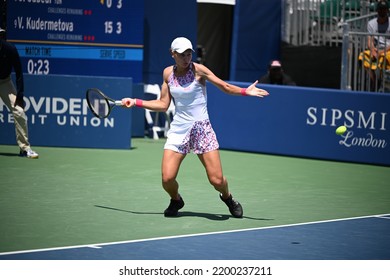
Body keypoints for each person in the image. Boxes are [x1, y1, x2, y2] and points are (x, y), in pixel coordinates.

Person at [122, 37, 269, 218]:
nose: (186, 58)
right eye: (182, 55)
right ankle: (176, 199)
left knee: (216, 180)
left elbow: (224, 86)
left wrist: (246, 91)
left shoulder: (199, 71)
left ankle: (228, 197)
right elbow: (163, 104)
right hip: (179, 129)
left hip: (202, 129)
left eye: (189, 54)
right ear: (172, 54)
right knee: (167, 179)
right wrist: (135, 102)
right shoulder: (168, 74)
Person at [0, 28, 39, 158]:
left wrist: (20, 94)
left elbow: (18, 72)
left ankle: (25, 149)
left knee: (19, 111)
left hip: (5, 82)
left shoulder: (10, 49)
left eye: (1, 34)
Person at [358, 1, 390, 91]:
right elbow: (370, 41)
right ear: (377, 10)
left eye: (384, 9)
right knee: (363, 56)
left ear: (387, 11)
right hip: (377, 49)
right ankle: (374, 80)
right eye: (380, 9)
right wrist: (372, 50)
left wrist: (382, 52)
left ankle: (384, 84)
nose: (382, 11)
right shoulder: (371, 23)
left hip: (388, 50)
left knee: (383, 58)